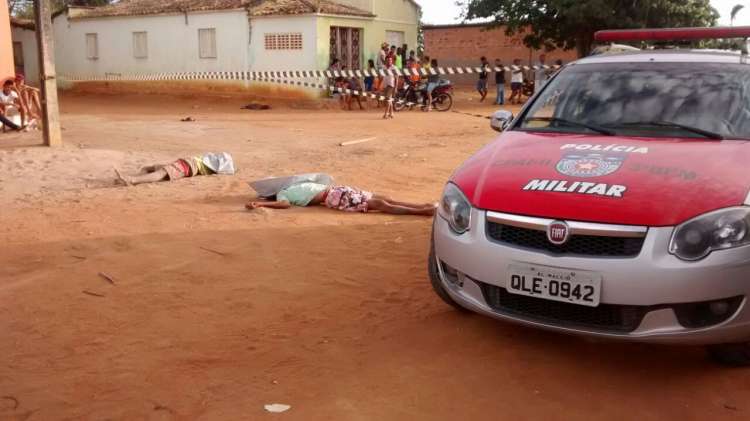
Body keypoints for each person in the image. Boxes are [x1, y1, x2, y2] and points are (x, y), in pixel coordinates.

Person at [246, 181, 437, 216]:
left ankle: (424, 206)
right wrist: (262, 203)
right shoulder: (282, 194)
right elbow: (284, 205)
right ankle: (423, 212)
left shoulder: (292, 184)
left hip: (339, 191)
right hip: (334, 197)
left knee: (385, 198)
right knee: (380, 204)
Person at [114, 152, 235, 186]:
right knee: (149, 168)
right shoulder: (207, 164)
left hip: (186, 166)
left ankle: (132, 180)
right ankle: (135, 178)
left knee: (161, 173)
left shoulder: (203, 166)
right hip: (184, 163)